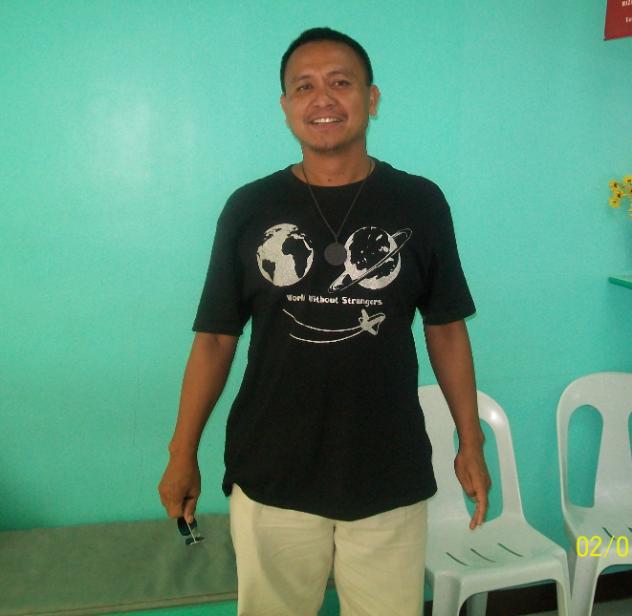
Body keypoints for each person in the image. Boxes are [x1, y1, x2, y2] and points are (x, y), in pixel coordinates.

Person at [159, 27, 491, 616]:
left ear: (372, 98)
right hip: (271, 469)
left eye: (341, 82)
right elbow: (214, 338)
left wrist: (471, 440)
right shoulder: (250, 207)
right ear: (286, 105)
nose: (323, 99)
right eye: (304, 86)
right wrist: (181, 451)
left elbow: (445, 327)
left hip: (386, 470)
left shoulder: (419, 203)